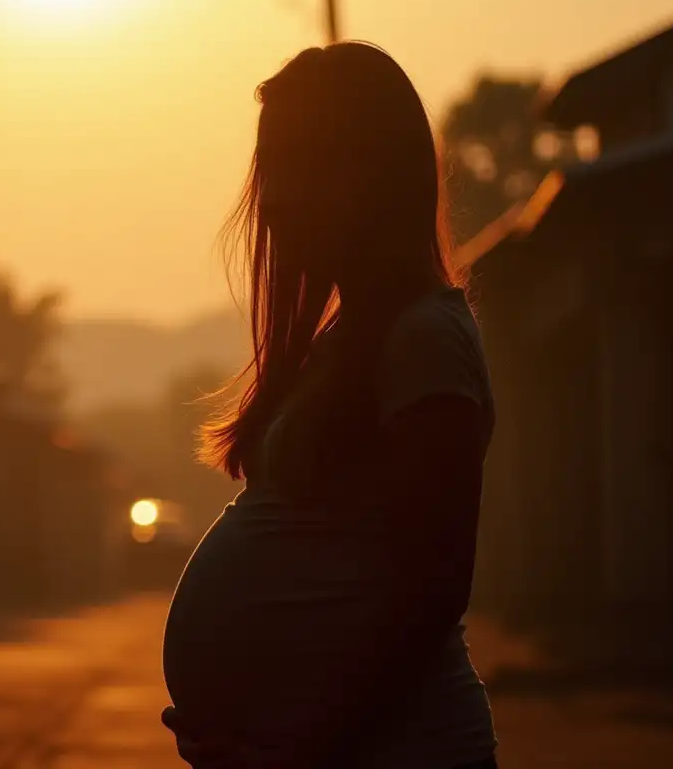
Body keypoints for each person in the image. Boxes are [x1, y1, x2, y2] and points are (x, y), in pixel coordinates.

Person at [160, 41, 500, 768]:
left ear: (371, 173)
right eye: (269, 168)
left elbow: (432, 593)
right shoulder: (353, 337)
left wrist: (308, 747)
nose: (273, 200)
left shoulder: (423, 339)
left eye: (299, 164)